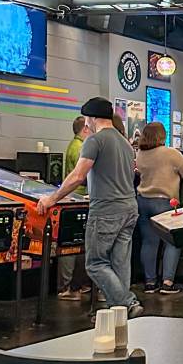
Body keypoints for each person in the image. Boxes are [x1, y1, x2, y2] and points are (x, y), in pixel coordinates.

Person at [38, 97, 142, 318]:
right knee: (119, 264)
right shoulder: (124, 142)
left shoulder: (94, 141)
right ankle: (120, 313)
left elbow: (77, 176)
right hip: (130, 207)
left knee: (95, 263)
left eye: (87, 119)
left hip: (106, 209)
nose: (86, 124)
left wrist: (52, 198)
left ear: (93, 118)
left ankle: (128, 303)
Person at [135, 122, 183, 294]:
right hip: (165, 203)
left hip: (143, 201)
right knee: (172, 242)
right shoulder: (170, 153)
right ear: (162, 135)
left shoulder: (140, 154)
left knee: (148, 242)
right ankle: (167, 283)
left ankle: (150, 282)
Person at [57, 115, 90, 300]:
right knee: (72, 244)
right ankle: (67, 287)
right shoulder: (79, 148)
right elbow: (82, 174)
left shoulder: (73, 145)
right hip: (77, 197)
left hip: (75, 197)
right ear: (85, 129)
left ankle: (75, 285)